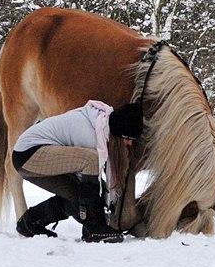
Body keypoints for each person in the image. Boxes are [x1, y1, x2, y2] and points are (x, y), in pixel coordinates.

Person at [12, 100, 143, 243]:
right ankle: (95, 229)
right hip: (28, 153)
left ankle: (29, 222)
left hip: (34, 153)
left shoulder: (101, 126)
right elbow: (87, 177)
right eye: (127, 138)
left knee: (78, 197)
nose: (129, 144)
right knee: (91, 162)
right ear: (117, 132)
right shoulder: (91, 135)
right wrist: (97, 218)